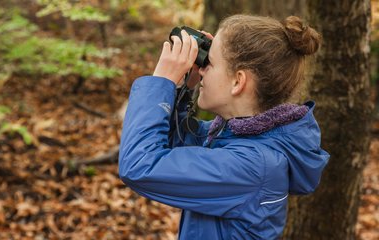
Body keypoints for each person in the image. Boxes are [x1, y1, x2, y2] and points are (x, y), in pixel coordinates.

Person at [118, 14, 330, 240]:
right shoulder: (235, 137)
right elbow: (175, 145)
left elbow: (140, 166)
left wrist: (161, 81)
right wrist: (183, 88)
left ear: (238, 81)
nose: (201, 70)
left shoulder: (252, 166)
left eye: (209, 63)